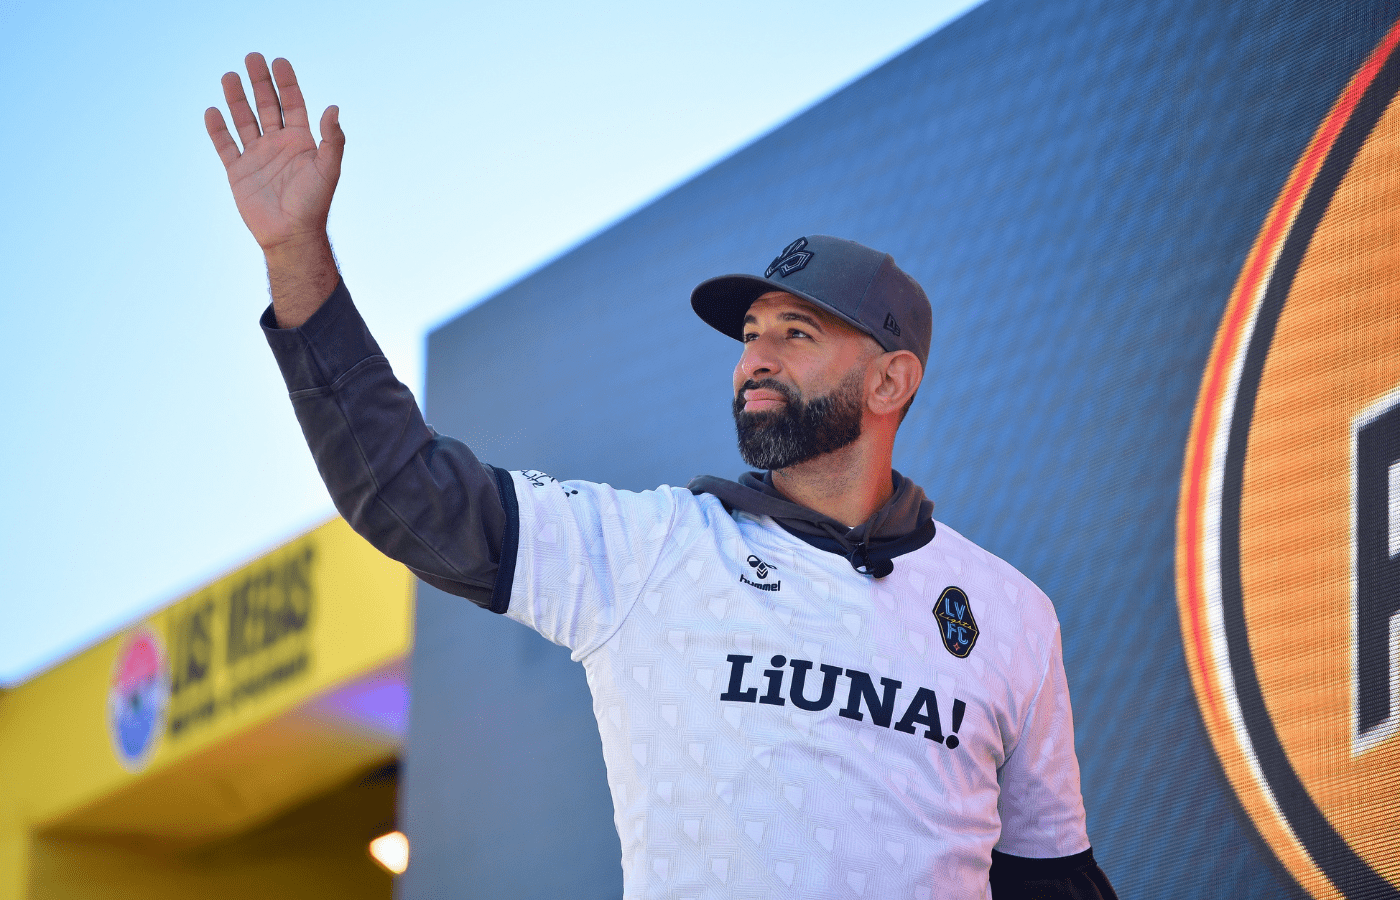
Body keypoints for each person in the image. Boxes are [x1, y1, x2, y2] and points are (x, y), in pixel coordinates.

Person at [206, 52, 1116, 900]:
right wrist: (296, 258)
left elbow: (1054, 884)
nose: (754, 357)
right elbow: (406, 493)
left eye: (795, 334)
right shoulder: (652, 551)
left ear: (891, 380)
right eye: (749, 332)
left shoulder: (1010, 614)